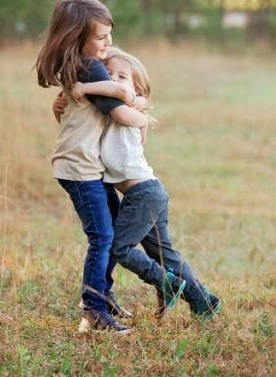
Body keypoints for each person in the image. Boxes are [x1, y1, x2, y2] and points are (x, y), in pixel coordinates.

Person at [69, 47, 223, 320]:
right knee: (167, 257)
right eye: (110, 74)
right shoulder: (111, 108)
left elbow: (129, 101)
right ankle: (204, 300)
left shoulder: (125, 110)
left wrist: (85, 86)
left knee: (118, 248)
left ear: (135, 88)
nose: (114, 80)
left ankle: (168, 283)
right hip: (149, 192)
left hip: (144, 194)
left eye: (122, 76)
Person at [35, 0, 150, 334]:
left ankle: (103, 294)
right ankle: (94, 310)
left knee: (109, 231)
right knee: (102, 236)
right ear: (76, 37)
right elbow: (120, 109)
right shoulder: (90, 69)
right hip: (80, 170)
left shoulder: (81, 69)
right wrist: (138, 106)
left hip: (88, 167)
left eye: (108, 35)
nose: (109, 43)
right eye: (101, 37)